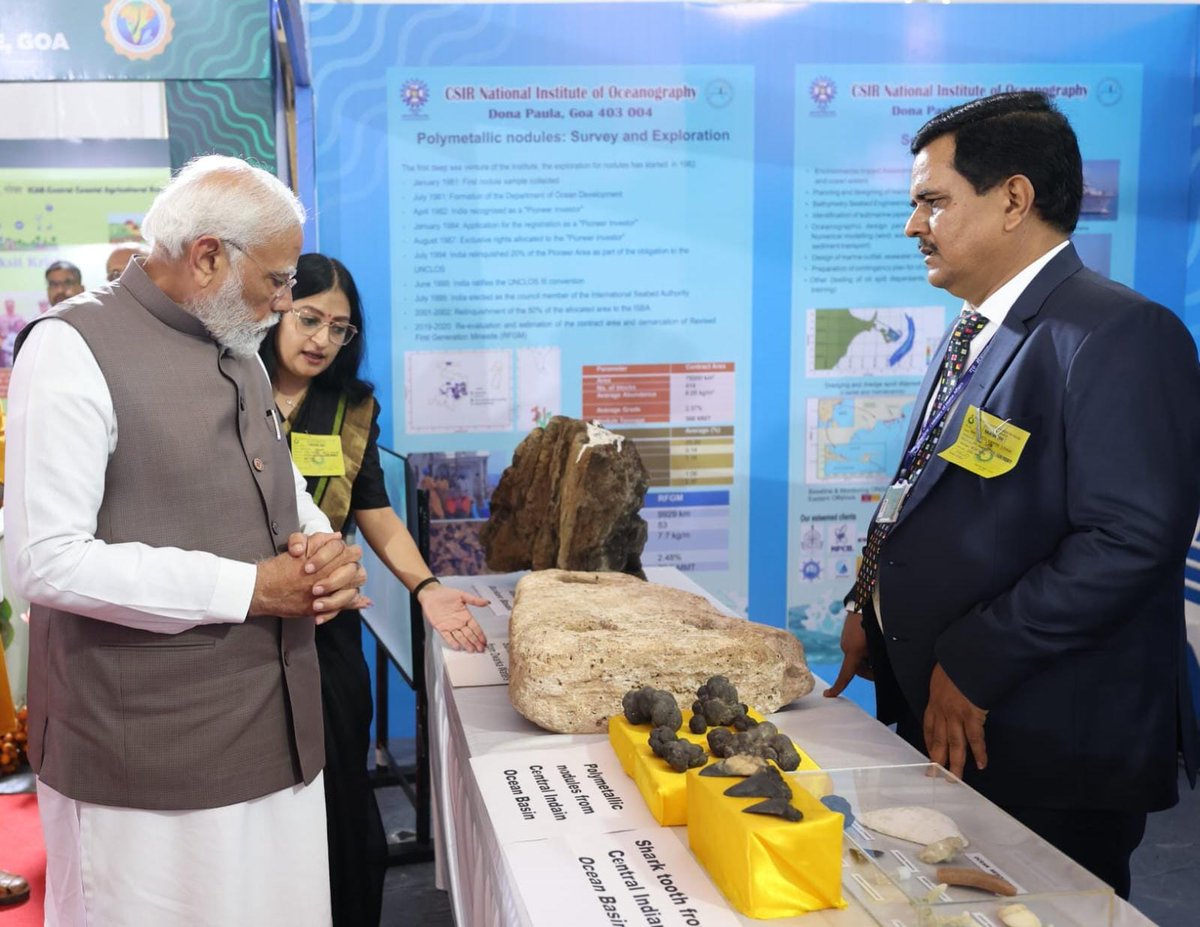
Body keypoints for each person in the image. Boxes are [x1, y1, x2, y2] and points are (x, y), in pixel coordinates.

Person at [826, 91, 1200, 899]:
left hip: (1043, 738)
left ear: (1014, 201)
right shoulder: (978, 326)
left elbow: (1131, 538)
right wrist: (873, 603)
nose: (912, 224)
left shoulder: (1117, 334)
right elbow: (925, 483)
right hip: (955, 719)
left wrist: (974, 659)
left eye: (932, 200)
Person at [6, 155, 371, 925]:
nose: (284, 303)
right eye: (276, 281)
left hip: (278, 738)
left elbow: (279, 485)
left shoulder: (233, 343)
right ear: (208, 255)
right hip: (146, 764)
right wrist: (250, 588)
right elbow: (46, 558)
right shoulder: (70, 347)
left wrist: (321, 549)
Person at [260, 252, 488, 926]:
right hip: (238, 624)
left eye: (340, 327)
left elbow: (374, 509)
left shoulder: (350, 405)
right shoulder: (229, 387)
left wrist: (426, 584)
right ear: (277, 309)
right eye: (309, 318)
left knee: (343, 795)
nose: (321, 340)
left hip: (326, 624)